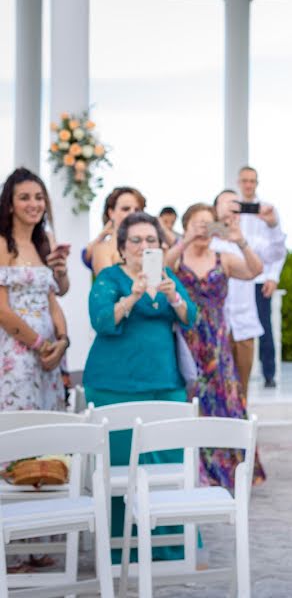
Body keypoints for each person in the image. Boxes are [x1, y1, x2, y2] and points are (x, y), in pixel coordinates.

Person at [83, 212, 197, 564]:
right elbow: (101, 320)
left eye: (152, 240)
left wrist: (174, 297)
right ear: (121, 247)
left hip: (165, 385)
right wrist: (131, 297)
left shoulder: (167, 277)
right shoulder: (109, 277)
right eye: (136, 240)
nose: (144, 246)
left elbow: (191, 317)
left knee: (168, 467)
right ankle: (121, 552)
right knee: (120, 470)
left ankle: (172, 549)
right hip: (114, 387)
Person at [167, 203, 267, 488]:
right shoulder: (177, 258)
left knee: (226, 403)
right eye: (196, 224)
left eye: (208, 224)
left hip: (217, 342)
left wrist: (239, 240)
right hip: (185, 340)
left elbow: (254, 270)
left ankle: (232, 471)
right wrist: (185, 240)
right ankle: (197, 471)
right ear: (185, 227)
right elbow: (157, 268)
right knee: (191, 402)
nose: (202, 230)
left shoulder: (223, 258)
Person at [0, 168, 68, 413]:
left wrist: (62, 341)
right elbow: (1, 310)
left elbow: (53, 299)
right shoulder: (2, 244)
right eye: (24, 197)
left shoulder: (45, 240)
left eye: (39, 197)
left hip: (49, 356)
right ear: (9, 205)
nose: (34, 204)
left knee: (47, 433)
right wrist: (40, 345)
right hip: (15, 353)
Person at [210, 189, 286, 399]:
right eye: (226, 204)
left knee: (240, 392)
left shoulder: (249, 239)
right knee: (215, 392)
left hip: (243, 325)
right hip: (214, 328)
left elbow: (276, 253)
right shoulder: (206, 238)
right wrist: (218, 226)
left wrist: (272, 225)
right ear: (215, 208)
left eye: (236, 205)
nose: (231, 210)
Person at [237, 166, 287, 388]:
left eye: (252, 181)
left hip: (260, 280)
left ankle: (269, 373)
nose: (249, 185)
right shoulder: (231, 210)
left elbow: (277, 250)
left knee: (265, 328)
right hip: (236, 279)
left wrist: (273, 277)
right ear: (239, 182)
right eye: (245, 181)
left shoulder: (268, 211)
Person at [84, 187, 146, 275]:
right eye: (126, 209)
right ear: (111, 213)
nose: (132, 213)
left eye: (137, 210)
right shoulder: (102, 250)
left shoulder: (148, 247)